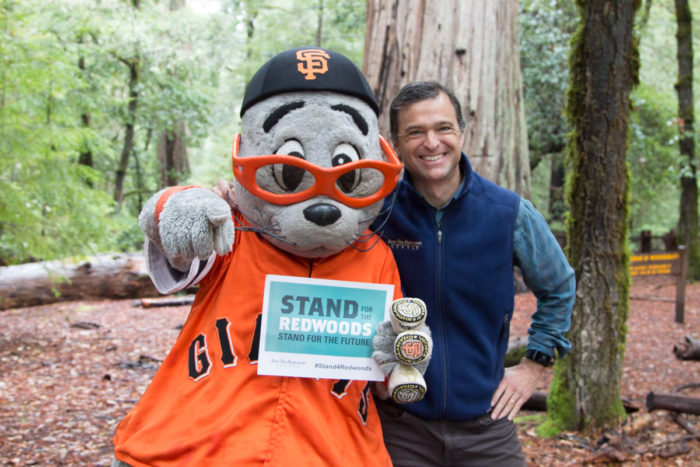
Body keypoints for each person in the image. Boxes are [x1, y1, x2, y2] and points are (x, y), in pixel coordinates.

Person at [371, 80, 575, 466]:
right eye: (415, 132)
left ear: (461, 133)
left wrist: (533, 367)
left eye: (443, 128)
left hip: (488, 427)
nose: (431, 143)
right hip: (399, 428)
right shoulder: (375, 215)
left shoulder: (508, 213)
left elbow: (560, 287)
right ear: (396, 144)